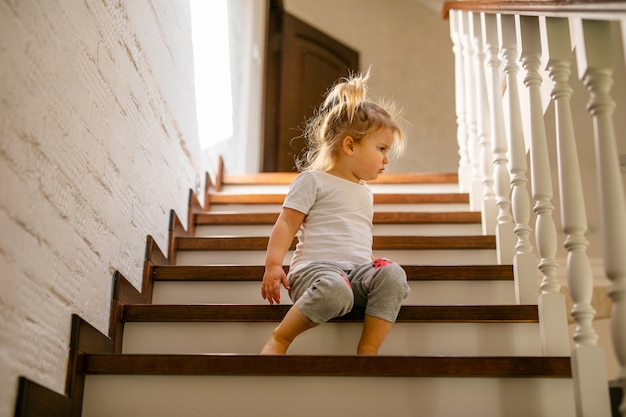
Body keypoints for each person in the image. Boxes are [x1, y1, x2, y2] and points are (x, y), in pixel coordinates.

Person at [260, 70, 409, 355]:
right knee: (336, 290)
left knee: (393, 274)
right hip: (316, 272)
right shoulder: (313, 180)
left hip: (356, 274)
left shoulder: (366, 192)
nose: (386, 159)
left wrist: (372, 263)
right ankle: (280, 338)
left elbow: (357, 232)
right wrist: (273, 265)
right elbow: (287, 224)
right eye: (381, 148)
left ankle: (368, 348)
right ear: (350, 145)